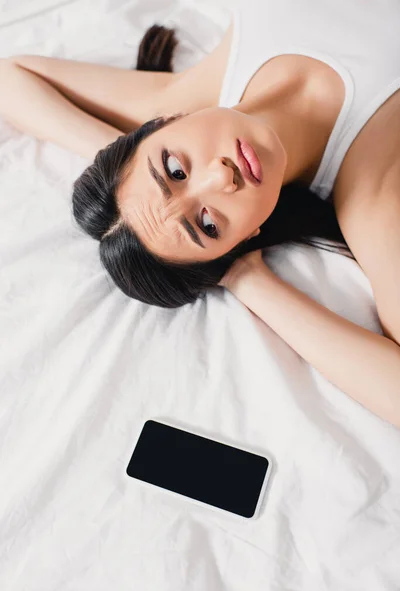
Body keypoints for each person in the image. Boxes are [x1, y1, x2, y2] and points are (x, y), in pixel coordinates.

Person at [1, 0, 400, 428]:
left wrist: (123, 168)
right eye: (208, 225)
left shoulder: (185, 96)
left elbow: (8, 78)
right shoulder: (374, 200)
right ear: (248, 237)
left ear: (162, 124)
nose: (220, 178)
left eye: (174, 169)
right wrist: (248, 279)